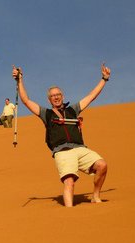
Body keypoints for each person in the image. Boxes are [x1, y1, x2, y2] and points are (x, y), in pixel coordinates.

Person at [13, 63, 110, 207]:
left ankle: (95, 196)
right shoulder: (47, 114)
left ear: (63, 96)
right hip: (62, 151)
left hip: (80, 148)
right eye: (53, 96)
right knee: (69, 181)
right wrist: (20, 80)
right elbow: (26, 101)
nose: (56, 97)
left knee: (102, 165)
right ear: (49, 100)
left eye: (58, 95)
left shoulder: (73, 110)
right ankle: (69, 214)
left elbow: (91, 97)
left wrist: (104, 79)